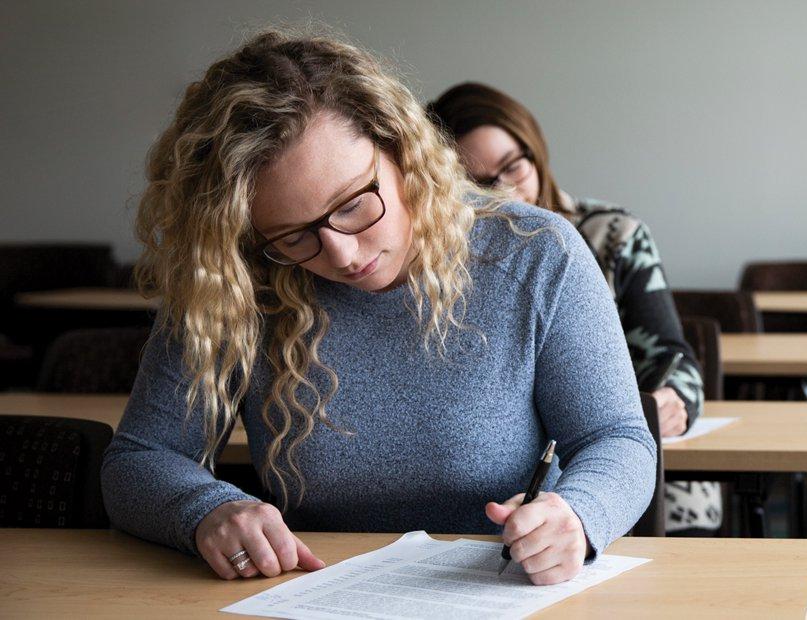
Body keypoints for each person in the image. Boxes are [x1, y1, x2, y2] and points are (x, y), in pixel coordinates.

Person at [100, 30, 656, 586]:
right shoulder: (237, 279)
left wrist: (578, 513)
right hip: (312, 591)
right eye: (292, 236)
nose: (341, 254)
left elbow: (619, 440)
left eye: (353, 205)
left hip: (501, 588)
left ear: (401, 151)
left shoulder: (534, 253)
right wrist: (206, 510)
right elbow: (137, 460)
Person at [428, 83, 721, 534]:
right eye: (481, 184)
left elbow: (674, 355)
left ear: (535, 149)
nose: (506, 190)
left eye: (514, 166)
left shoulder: (612, 234)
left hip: (618, 458)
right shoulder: (446, 263)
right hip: (514, 493)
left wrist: (672, 400)